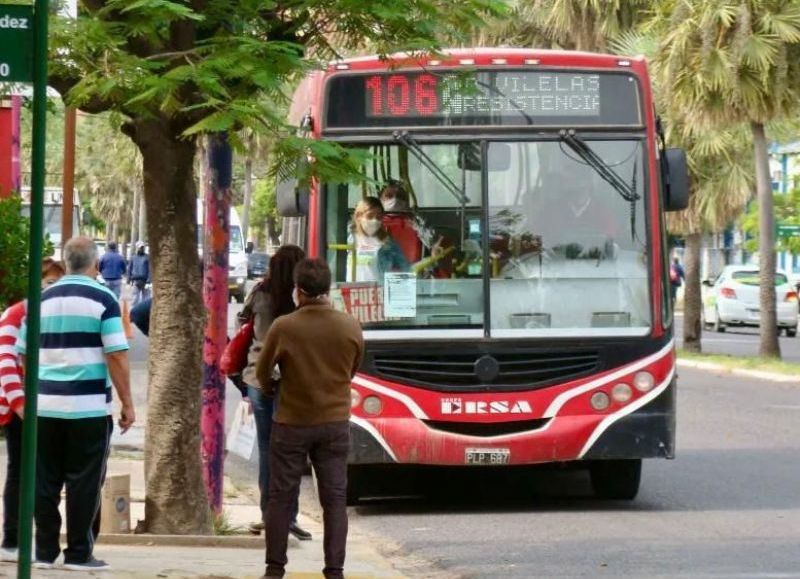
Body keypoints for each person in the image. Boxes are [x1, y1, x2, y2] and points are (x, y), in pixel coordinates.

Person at [17, 236, 136, 571]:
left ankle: (43, 551)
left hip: (44, 407)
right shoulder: (104, 299)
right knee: (84, 481)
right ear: (95, 264)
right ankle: (79, 553)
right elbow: (115, 353)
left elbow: (24, 353)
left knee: (44, 479)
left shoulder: (41, 299)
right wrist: (128, 403)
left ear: (66, 261)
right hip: (88, 409)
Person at [256, 258, 364, 579]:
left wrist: (275, 386)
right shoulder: (350, 325)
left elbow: (262, 373)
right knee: (334, 499)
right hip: (334, 424)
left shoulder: (284, 327)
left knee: (281, 496)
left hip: (291, 422)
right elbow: (352, 369)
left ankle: (275, 570)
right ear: (327, 289)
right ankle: (334, 571)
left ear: (298, 290)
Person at [237, 245, 311, 541]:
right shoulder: (301, 298)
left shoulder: (260, 293)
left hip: (258, 378)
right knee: (292, 453)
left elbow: (242, 322)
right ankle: (288, 516)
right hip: (293, 383)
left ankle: (270, 515)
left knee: (267, 450)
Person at [0, 258, 66, 563]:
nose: (52, 288)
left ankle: (34, 540)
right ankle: (12, 538)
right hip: (20, 410)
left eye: (57, 283)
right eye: (48, 282)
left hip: (45, 406)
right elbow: (6, 366)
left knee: (40, 474)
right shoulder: (17, 314)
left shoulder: (47, 313)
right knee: (20, 471)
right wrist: (21, 405)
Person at [346, 197, 409, 282]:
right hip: (350, 291)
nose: (375, 220)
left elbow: (406, 269)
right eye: (370, 216)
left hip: (377, 292)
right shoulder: (348, 240)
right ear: (358, 216)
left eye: (379, 217)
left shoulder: (387, 243)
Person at [128, 241, 150, 306]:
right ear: (137, 248)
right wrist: (128, 279)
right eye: (140, 247)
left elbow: (150, 269)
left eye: (142, 247)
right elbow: (129, 268)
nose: (141, 249)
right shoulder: (133, 257)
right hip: (135, 281)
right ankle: (133, 313)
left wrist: (149, 281)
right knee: (134, 299)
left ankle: (145, 313)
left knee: (146, 299)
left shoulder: (147, 257)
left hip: (145, 281)